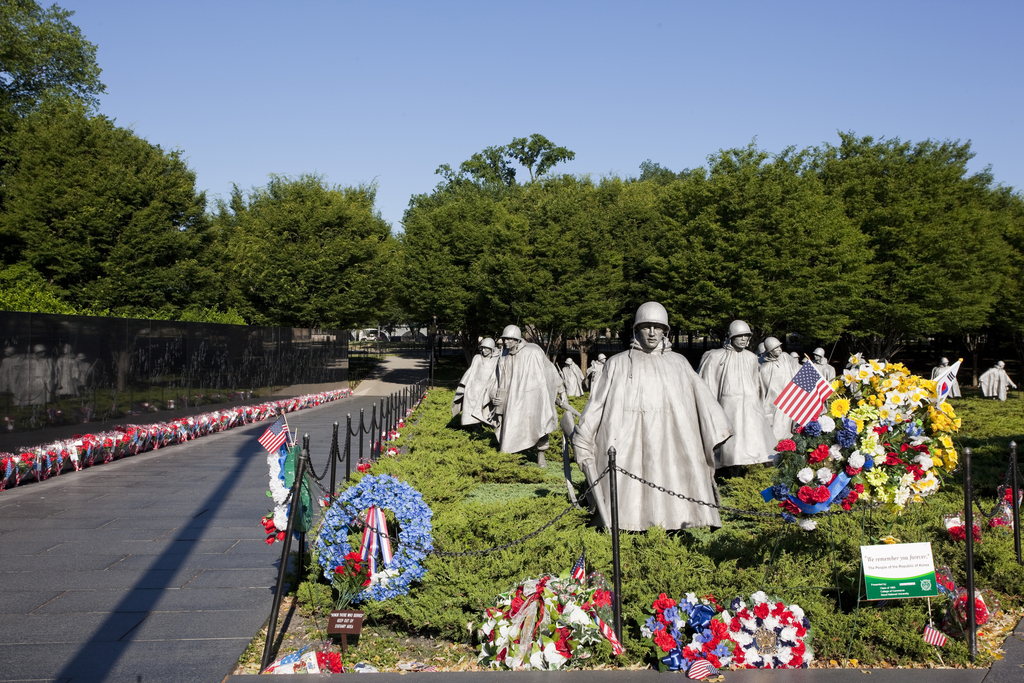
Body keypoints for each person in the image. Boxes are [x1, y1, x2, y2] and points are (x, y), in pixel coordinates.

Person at [573, 302, 732, 530]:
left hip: (671, 441)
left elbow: (705, 403)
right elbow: (596, 405)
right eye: (646, 326)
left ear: (665, 331)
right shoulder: (617, 364)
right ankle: (626, 522)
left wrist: (717, 429)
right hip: (627, 442)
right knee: (631, 485)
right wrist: (583, 436)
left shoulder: (679, 363)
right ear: (637, 329)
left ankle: (676, 522)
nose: (651, 333)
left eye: (657, 327)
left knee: (670, 480)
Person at [698, 320, 776, 468]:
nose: (743, 339)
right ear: (731, 336)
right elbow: (708, 384)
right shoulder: (716, 357)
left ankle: (753, 470)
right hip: (729, 406)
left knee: (757, 445)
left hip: (751, 406)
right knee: (731, 450)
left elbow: (756, 384)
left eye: (746, 336)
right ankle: (729, 471)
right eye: (740, 336)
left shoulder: (751, 358)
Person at [489, 325, 560, 454]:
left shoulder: (533, 352)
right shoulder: (503, 356)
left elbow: (549, 370)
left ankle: (541, 454)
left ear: (517, 340)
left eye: (509, 339)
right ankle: (511, 453)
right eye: (504, 339)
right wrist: (494, 394)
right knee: (512, 424)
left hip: (532, 396)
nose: (506, 342)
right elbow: (496, 378)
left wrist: (560, 390)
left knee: (538, 422)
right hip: (511, 399)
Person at [759, 336, 800, 443]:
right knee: (775, 434)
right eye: (775, 349)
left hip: (789, 399)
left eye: (779, 347)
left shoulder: (786, 358)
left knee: (790, 430)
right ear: (769, 351)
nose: (779, 350)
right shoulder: (762, 367)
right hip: (773, 404)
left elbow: (798, 370)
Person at [452, 338, 499, 427]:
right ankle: (476, 425)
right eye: (483, 348)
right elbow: (471, 372)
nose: (484, 351)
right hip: (474, 387)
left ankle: (489, 423)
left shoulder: (496, 360)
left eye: (487, 349)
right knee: (472, 406)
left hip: (487, 388)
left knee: (486, 406)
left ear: (492, 349)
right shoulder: (477, 358)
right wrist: (465, 386)